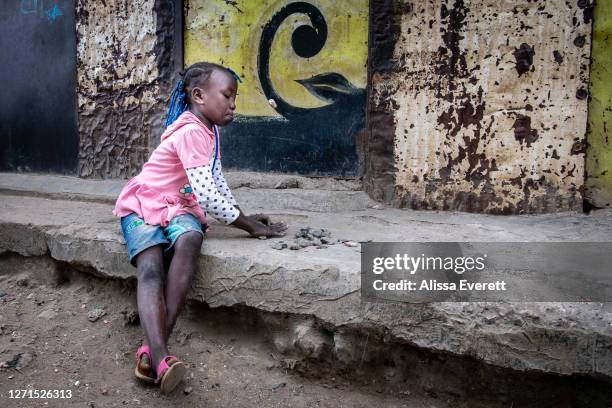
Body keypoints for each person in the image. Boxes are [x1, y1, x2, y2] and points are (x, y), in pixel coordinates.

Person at [113, 61, 287, 394]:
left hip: (178, 204)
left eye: (234, 98)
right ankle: (162, 355)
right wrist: (246, 226)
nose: (233, 105)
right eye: (227, 96)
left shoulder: (209, 131)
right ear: (198, 95)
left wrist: (244, 214)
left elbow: (214, 180)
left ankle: (152, 356)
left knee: (191, 238)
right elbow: (206, 193)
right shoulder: (192, 130)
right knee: (150, 268)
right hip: (144, 202)